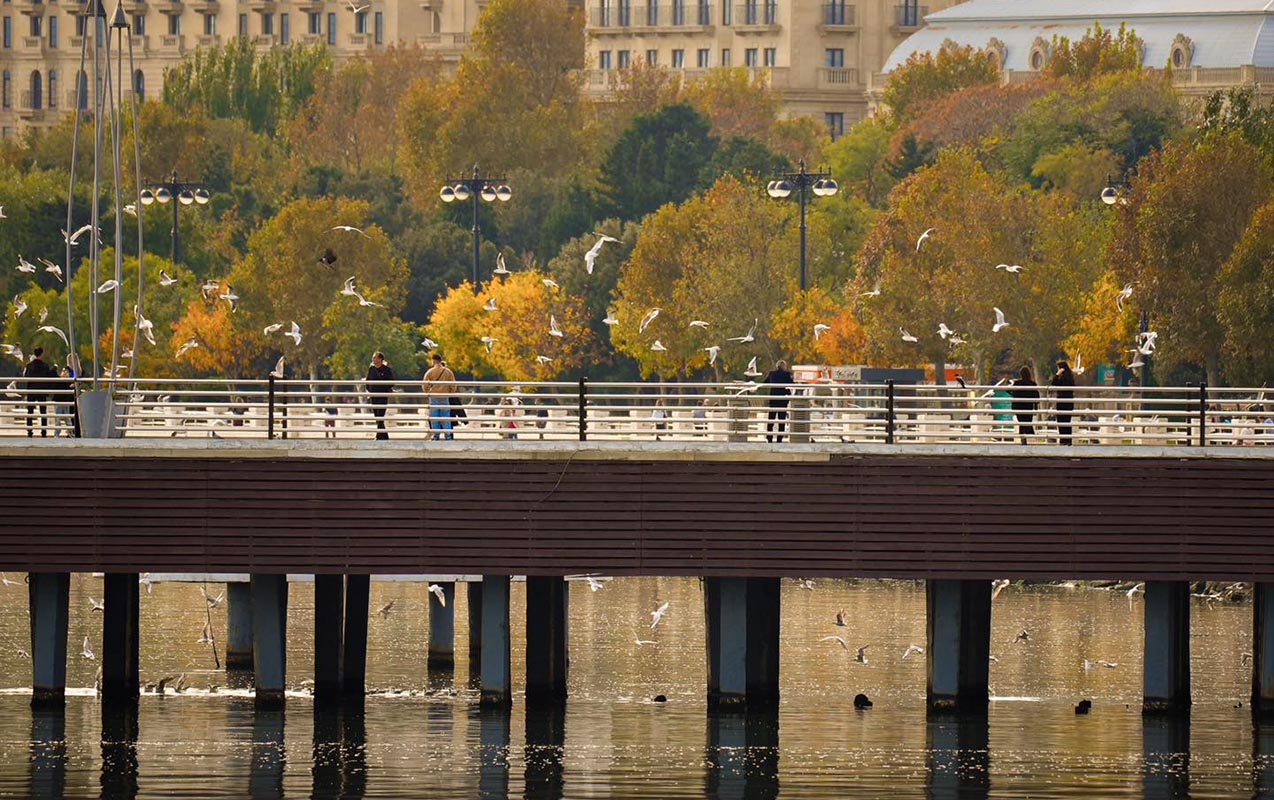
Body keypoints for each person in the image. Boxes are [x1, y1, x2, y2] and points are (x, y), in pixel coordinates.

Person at [22, 346, 57, 438]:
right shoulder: (45, 366)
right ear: (41, 354)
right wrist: (53, 370)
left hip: (31, 391)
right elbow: (49, 377)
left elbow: (26, 377)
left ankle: (30, 432)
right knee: (43, 412)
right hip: (41, 391)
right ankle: (43, 432)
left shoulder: (29, 365)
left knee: (30, 412)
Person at [422, 354, 456, 440]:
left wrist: (427, 392)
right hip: (445, 397)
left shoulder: (430, 371)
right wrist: (450, 393)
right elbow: (453, 385)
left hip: (434, 397)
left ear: (433, 361)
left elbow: (424, 384)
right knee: (446, 418)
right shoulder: (448, 371)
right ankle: (448, 436)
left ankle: (436, 436)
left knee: (435, 418)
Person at [763, 359, 795, 443]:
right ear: (783, 366)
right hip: (782, 400)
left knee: (771, 419)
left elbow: (765, 383)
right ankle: (779, 439)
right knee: (781, 420)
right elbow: (791, 384)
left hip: (773, 399)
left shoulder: (772, 374)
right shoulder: (787, 374)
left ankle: (769, 437)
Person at [365, 351, 395, 440]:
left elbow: (391, 382)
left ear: (380, 359)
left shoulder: (386, 369)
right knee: (377, 417)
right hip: (373, 396)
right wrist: (369, 390)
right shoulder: (371, 369)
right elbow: (368, 381)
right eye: (373, 358)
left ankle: (378, 436)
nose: (373, 359)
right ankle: (385, 436)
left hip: (382, 396)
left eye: (375, 358)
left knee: (380, 416)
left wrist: (383, 388)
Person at [1009, 366, 1040, 445]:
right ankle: (1027, 436)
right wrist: (1036, 407)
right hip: (1028, 406)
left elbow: (1009, 390)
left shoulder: (1017, 383)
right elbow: (1037, 396)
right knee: (1027, 422)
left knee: (1022, 423)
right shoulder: (1032, 384)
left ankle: (1023, 438)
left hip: (1018, 406)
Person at [1051, 360, 1076, 446]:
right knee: (1067, 422)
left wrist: (1057, 374)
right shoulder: (1071, 377)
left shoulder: (1062, 377)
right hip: (1069, 402)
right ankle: (1068, 441)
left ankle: (1063, 440)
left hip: (1061, 401)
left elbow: (1054, 383)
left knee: (1061, 422)